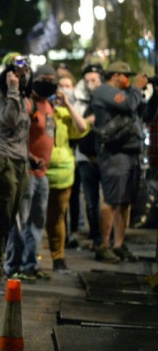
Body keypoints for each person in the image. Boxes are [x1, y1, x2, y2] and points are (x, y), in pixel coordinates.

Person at [91, 61, 148, 263]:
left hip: (131, 152)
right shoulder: (104, 91)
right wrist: (137, 89)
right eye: (126, 76)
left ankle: (119, 244)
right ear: (116, 75)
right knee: (111, 199)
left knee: (125, 201)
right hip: (114, 154)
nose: (129, 80)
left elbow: (144, 113)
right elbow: (127, 104)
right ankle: (104, 245)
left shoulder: (128, 93)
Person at [4, 64, 56, 282]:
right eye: (45, 78)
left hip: (43, 174)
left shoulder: (49, 105)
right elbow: (15, 135)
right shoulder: (29, 104)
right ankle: (13, 265)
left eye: (52, 79)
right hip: (27, 171)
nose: (49, 82)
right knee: (20, 221)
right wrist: (28, 157)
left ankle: (30, 264)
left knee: (37, 221)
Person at [0, 54, 32, 289]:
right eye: (18, 73)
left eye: (25, 74)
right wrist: (12, 91)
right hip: (2, 160)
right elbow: (10, 120)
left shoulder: (23, 97)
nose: (23, 77)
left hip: (20, 163)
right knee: (0, 220)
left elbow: (23, 132)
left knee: (12, 219)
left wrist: (30, 158)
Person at [45, 73, 88, 272]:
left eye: (67, 86)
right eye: (59, 86)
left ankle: (58, 257)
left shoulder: (65, 115)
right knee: (36, 218)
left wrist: (69, 105)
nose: (62, 90)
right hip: (41, 171)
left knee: (57, 216)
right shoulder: (44, 110)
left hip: (63, 173)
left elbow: (81, 127)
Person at [74, 64, 104, 248]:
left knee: (108, 200)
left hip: (105, 156)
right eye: (87, 80)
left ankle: (107, 237)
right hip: (85, 157)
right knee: (91, 200)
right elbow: (78, 126)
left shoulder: (106, 98)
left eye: (94, 80)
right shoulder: (79, 100)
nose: (90, 84)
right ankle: (96, 235)